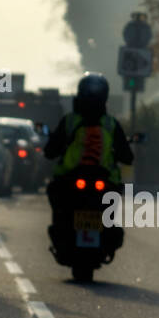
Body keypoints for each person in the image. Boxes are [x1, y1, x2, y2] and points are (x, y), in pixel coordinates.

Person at [44, 72, 133, 219]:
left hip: (69, 178)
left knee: (55, 197)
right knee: (110, 215)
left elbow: (50, 151)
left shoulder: (69, 121)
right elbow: (127, 156)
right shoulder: (111, 124)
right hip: (106, 179)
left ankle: (62, 226)